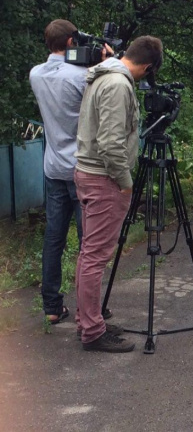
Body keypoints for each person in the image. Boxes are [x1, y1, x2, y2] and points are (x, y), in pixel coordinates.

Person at [74, 35, 163, 352]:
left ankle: (88, 318)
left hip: (91, 173)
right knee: (95, 257)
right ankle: (93, 331)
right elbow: (111, 143)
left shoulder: (104, 75)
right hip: (104, 179)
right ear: (148, 66)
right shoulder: (118, 85)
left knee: (89, 253)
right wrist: (125, 182)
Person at [29, 19, 87, 325]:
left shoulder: (35, 74)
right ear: (69, 43)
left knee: (54, 238)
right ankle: (88, 310)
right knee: (88, 244)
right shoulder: (82, 75)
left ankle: (52, 307)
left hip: (53, 166)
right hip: (81, 168)